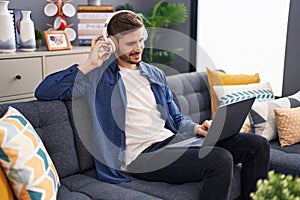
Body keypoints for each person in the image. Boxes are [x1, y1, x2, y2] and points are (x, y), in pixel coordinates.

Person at [35, 10, 270, 200]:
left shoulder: (154, 74)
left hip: (173, 142)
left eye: (140, 41)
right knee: (219, 160)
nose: (138, 49)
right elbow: (44, 91)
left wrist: (198, 129)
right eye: (130, 43)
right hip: (140, 157)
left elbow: (176, 119)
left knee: (256, 145)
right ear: (113, 44)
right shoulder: (97, 77)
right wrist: (89, 62)